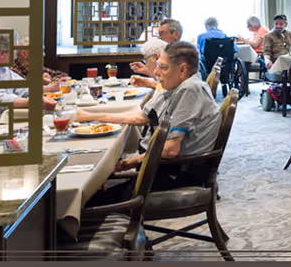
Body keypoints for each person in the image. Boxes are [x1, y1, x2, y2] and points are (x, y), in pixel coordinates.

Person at [77, 41, 221, 198]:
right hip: (159, 167)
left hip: (174, 173)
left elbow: (171, 150)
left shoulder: (189, 90)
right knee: (95, 179)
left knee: (87, 200)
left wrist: (129, 162)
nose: (157, 72)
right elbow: (141, 117)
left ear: (182, 69)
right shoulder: (176, 86)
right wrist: (89, 116)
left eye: (163, 67)